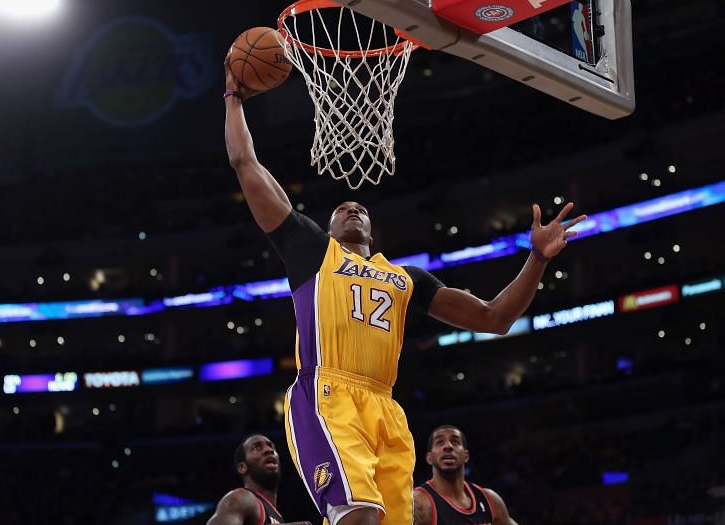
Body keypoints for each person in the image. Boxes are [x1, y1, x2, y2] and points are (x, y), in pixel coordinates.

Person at [223, 56, 585, 525]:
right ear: (328, 228)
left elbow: (495, 318)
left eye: (359, 206)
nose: (352, 208)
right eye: (342, 208)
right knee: (360, 517)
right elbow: (244, 163)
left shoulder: (406, 278)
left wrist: (536, 260)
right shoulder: (313, 252)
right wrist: (233, 98)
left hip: (387, 409)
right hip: (328, 393)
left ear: (374, 230)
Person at [414, 426, 517, 525]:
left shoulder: (490, 500)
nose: (448, 446)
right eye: (439, 442)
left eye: (455, 442)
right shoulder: (419, 502)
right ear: (429, 458)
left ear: (466, 456)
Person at [208, 434, 312, 525]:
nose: (269, 450)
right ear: (242, 467)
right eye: (257, 448)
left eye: (271, 447)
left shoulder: (277, 516)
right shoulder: (240, 499)